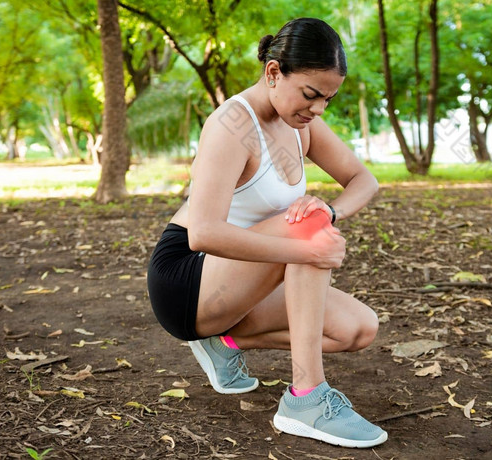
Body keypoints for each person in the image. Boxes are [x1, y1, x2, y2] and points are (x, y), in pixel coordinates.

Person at [147, 18, 388, 448]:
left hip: (241, 282)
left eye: (328, 99)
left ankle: (224, 343)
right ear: (274, 72)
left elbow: (363, 180)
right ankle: (306, 398)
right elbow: (202, 233)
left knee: (358, 329)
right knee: (307, 231)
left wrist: (330, 210)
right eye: (311, 95)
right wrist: (304, 249)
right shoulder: (231, 125)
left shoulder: (302, 124)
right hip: (187, 279)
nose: (318, 110)